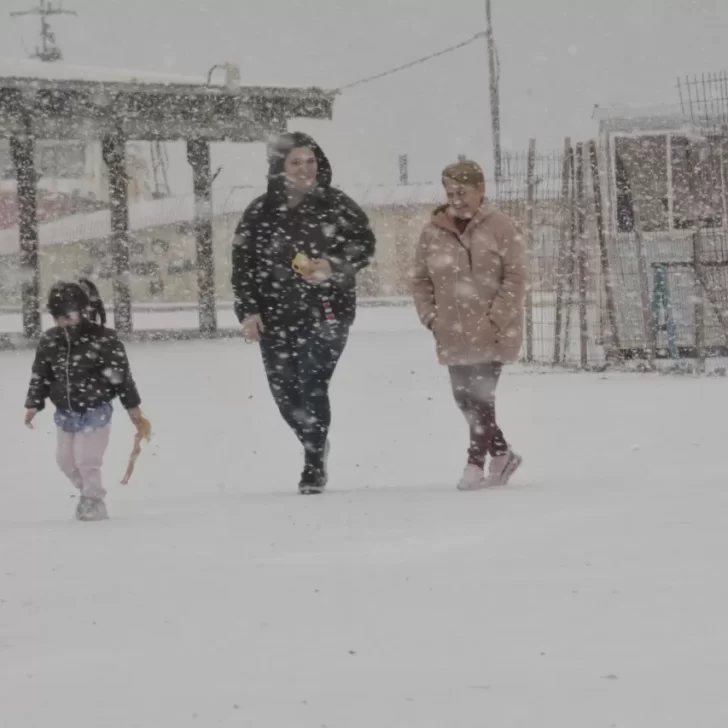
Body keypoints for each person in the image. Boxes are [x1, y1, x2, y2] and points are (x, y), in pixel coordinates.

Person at [231, 132, 376, 494]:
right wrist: (249, 311)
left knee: (312, 384)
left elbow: (364, 245)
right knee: (285, 394)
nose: (304, 169)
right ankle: (315, 438)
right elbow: (242, 265)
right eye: (295, 162)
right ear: (280, 167)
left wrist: (332, 264)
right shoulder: (259, 212)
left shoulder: (337, 205)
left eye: (310, 161)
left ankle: (313, 463)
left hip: (329, 312)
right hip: (275, 314)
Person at [411, 160, 526, 491]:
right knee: (463, 398)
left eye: (462, 192)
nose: (456, 199)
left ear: (481, 191)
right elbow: (420, 280)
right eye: (450, 193)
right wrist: (430, 317)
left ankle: (475, 462)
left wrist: (495, 319)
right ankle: (502, 453)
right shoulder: (433, 231)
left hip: (492, 331)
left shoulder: (501, 226)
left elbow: (516, 278)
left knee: (481, 396)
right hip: (450, 331)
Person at [24, 279, 146, 521]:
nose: (63, 322)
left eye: (68, 315)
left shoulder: (103, 338)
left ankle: (93, 500)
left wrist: (132, 407)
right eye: (58, 316)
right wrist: (33, 403)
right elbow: (41, 374)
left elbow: (121, 377)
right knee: (65, 461)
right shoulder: (50, 341)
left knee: (86, 458)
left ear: (82, 311)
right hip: (66, 412)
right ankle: (87, 493)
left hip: (95, 410)